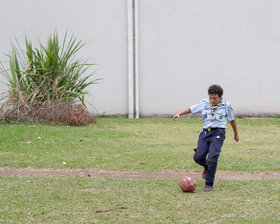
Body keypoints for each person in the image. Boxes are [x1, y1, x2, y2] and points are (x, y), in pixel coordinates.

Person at [173, 84, 239, 191]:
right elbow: (191, 109)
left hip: (218, 132)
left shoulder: (226, 106)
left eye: (215, 98)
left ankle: (209, 183)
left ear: (220, 97)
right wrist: (179, 114)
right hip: (205, 133)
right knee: (198, 157)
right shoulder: (204, 104)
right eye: (211, 98)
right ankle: (207, 167)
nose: (212, 100)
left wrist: (236, 134)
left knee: (213, 157)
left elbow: (232, 120)